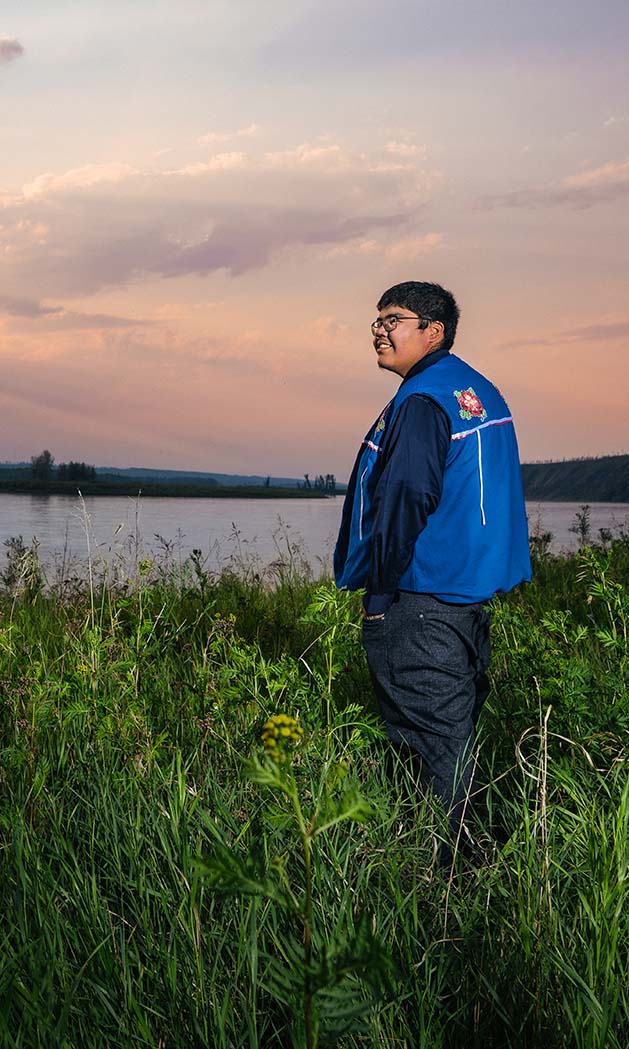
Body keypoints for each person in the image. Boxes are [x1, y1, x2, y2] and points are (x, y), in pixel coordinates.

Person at [334, 281, 531, 852]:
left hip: (420, 602)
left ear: (433, 331)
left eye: (393, 319)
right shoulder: (476, 390)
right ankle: (456, 870)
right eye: (376, 320)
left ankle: (447, 886)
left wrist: (378, 598)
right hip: (466, 601)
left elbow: (405, 499)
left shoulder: (422, 400)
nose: (379, 330)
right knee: (450, 739)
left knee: (431, 748)